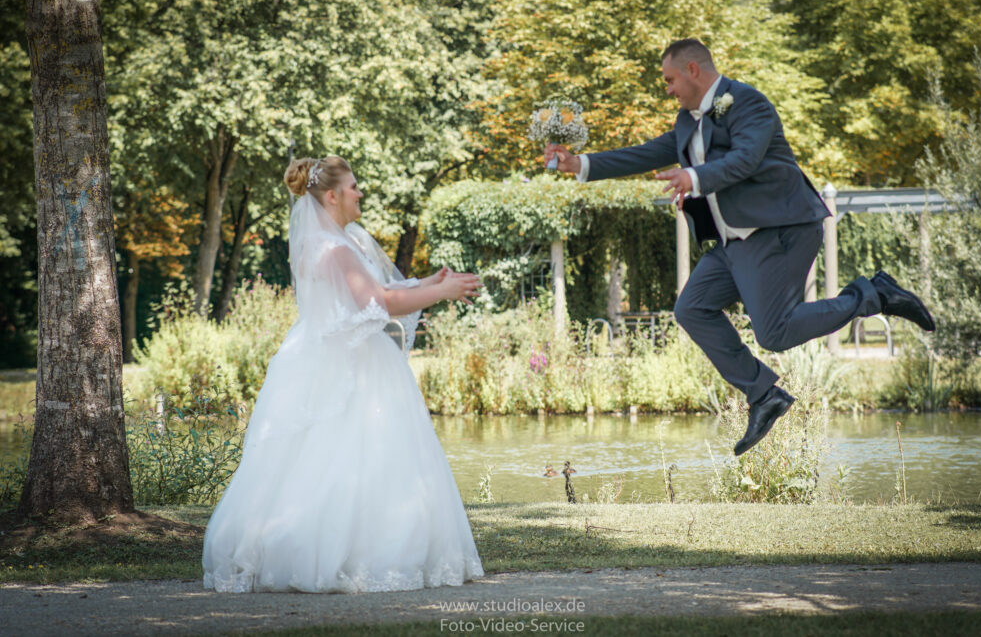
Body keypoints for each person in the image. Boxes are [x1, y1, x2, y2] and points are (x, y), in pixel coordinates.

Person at [546, 39, 934, 456]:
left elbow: (745, 159)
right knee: (692, 309)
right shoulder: (686, 122)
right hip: (734, 241)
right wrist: (579, 164)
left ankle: (873, 295)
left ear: (693, 70)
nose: (668, 89)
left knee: (775, 333)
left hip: (780, 229)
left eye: (670, 80)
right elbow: (645, 154)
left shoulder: (749, 103)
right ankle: (764, 395)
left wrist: (693, 179)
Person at [203, 155, 485, 593]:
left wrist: (429, 282)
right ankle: (337, 553)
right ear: (332, 196)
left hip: (345, 354)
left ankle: (347, 547)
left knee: (353, 456)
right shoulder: (332, 249)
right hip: (349, 363)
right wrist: (441, 293)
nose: (359, 192)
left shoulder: (345, 239)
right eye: (353, 186)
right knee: (342, 454)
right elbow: (380, 304)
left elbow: (386, 289)